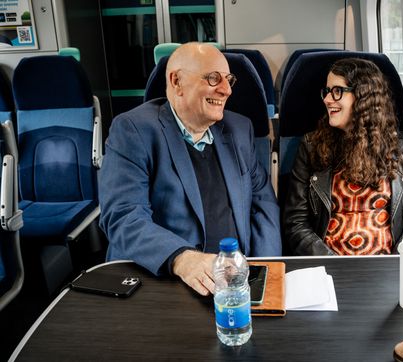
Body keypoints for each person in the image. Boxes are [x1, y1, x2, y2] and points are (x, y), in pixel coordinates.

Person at [99, 42, 281, 295]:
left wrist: (265, 271)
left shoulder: (240, 129)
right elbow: (123, 215)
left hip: (236, 279)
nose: (226, 90)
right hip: (167, 278)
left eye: (229, 79)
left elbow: (264, 205)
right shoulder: (133, 130)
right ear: (177, 82)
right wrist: (181, 259)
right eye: (213, 78)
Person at [283, 58, 403, 256]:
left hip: (386, 263)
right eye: (327, 91)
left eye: (337, 91)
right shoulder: (311, 146)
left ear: (362, 96)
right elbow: (295, 222)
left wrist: (395, 262)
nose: (327, 99)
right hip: (328, 261)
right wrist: (332, 262)